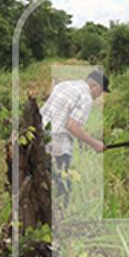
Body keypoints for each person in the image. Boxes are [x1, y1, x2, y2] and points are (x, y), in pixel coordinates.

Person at [40, 69, 108, 202]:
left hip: (39, 135)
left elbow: (61, 115)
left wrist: (82, 138)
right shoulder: (86, 98)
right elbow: (72, 126)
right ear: (96, 87)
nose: (99, 96)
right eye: (101, 92)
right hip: (58, 144)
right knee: (63, 186)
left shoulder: (64, 85)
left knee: (42, 180)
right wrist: (95, 144)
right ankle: (59, 217)